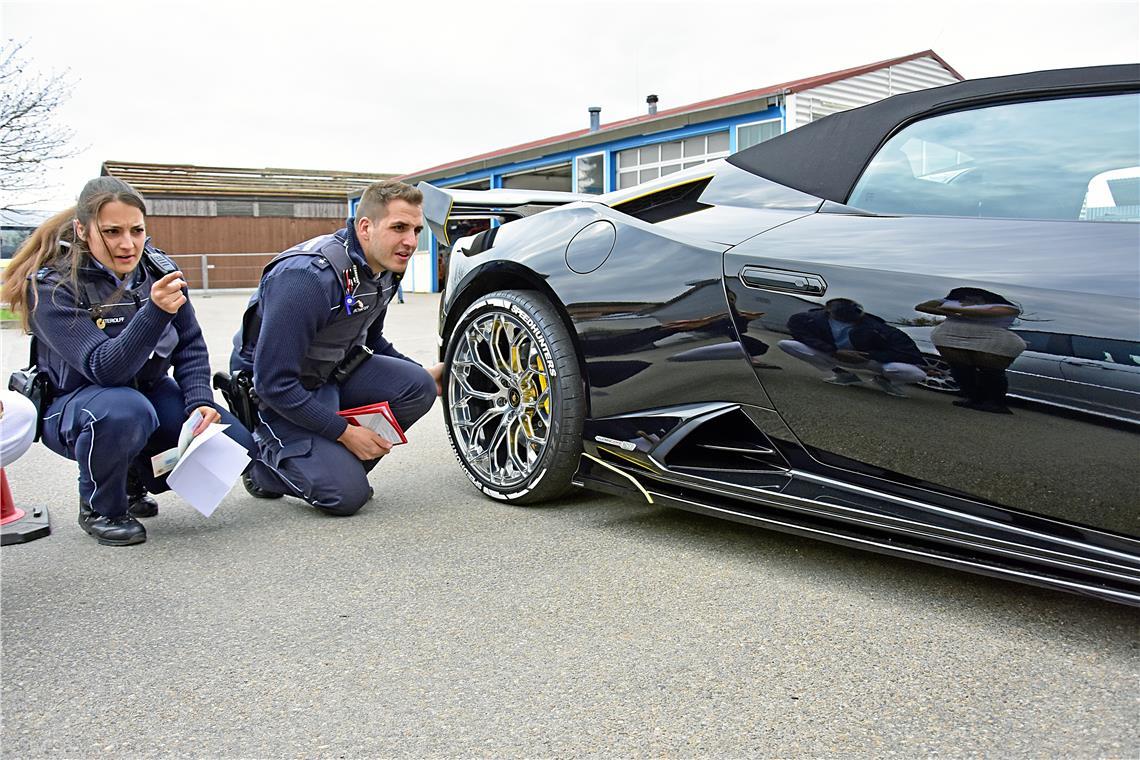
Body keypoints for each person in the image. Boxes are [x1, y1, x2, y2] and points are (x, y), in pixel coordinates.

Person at [1, 177, 256, 546]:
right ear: (82, 230)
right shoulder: (52, 285)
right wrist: (153, 312)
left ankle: (134, 475)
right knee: (126, 411)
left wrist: (200, 402)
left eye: (136, 230)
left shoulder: (158, 269)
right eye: (111, 231)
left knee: (234, 441)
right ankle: (101, 507)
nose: (127, 243)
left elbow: (190, 346)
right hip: (78, 403)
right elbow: (104, 369)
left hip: (147, 392)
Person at [231, 180, 443, 516]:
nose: (411, 242)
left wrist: (426, 375)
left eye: (417, 230)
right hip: (277, 394)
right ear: (365, 227)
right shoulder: (307, 278)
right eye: (399, 228)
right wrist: (344, 432)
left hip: (328, 376)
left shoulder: (383, 269)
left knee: (419, 386)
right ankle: (263, 466)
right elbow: (272, 383)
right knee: (345, 497)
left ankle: (330, 461)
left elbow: (372, 342)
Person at [777, 298, 927, 396]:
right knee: (787, 344)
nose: (847, 315)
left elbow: (907, 351)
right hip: (831, 354)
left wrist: (869, 355)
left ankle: (883, 380)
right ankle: (843, 374)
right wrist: (834, 351)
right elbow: (803, 336)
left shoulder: (878, 327)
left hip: (869, 360)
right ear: (827, 309)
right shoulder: (806, 319)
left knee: (917, 374)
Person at [915, 287, 1026, 414]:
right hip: (952, 338)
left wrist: (954, 309)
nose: (968, 300)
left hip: (992, 341)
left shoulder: (1006, 307)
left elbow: (989, 312)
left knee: (991, 372)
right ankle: (974, 398)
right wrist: (952, 307)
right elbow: (921, 306)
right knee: (960, 369)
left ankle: (996, 403)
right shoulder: (952, 302)